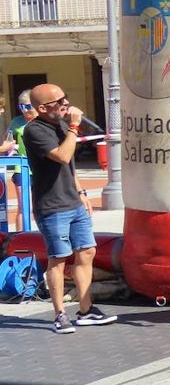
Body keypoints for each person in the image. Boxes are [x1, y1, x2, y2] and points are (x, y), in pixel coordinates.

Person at [24, 83, 117, 333]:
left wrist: (82, 192)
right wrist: (74, 127)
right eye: (59, 102)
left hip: (73, 201)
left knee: (87, 252)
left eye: (66, 98)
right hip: (52, 206)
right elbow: (62, 156)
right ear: (43, 108)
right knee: (58, 258)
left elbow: (70, 167)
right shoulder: (35, 131)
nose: (66, 104)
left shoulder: (61, 126)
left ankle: (86, 310)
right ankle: (59, 315)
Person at [7, 90, 36, 230]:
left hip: (41, 168)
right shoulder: (16, 122)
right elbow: (7, 142)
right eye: (21, 107)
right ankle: (19, 238)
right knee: (25, 207)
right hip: (22, 168)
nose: (25, 110)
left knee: (41, 207)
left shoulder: (43, 121)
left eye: (28, 106)